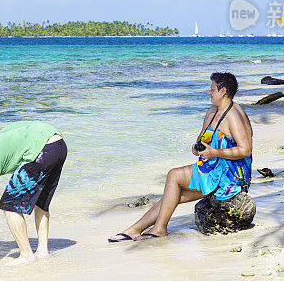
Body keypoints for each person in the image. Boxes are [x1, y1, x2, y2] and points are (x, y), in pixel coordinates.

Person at [108, 72, 252, 241]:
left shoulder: (235, 115)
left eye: (212, 89)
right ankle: (135, 229)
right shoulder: (213, 111)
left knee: (174, 175)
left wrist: (214, 152)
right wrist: (198, 146)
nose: (209, 92)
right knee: (172, 194)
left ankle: (159, 228)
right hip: (212, 168)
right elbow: (204, 136)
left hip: (229, 176)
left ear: (223, 91)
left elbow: (245, 150)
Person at [0, 121, 67, 266]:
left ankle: (26, 255)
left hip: (43, 149)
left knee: (9, 203)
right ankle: (43, 251)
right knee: (40, 202)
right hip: (59, 145)